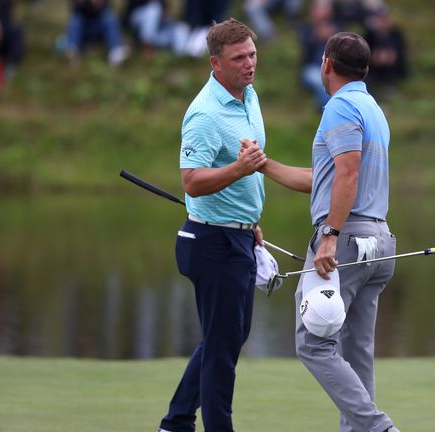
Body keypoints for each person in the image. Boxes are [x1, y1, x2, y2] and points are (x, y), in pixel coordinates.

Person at [256, 31, 400, 432]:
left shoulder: (338, 107)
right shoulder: (372, 108)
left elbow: (347, 174)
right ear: (365, 69)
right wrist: (264, 165)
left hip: (345, 242)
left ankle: (378, 427)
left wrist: (330, 235)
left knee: (312, 342)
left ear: (327, 65)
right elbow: (325, 178)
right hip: (379, 242)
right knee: (357, 353)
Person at [157, 18, 268, 432]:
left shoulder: (249, 96)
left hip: (238, 234)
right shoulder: (204, 113)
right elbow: (192, 180)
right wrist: (239, 170)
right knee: (223, 350)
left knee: (228, 338)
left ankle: (176, 421)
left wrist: (249, 221)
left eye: (252, 54)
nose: (249, 64)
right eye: (239, 58)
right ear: (215, 63)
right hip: (210, 241)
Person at [299, 1, 338, 109]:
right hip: (312, 68)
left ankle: (325, 106)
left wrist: (333, 38)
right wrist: (315, 38)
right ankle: (328, 108)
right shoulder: (307, 28)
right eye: (318, 9)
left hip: (334, 67)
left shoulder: (336, 28)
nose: (321, 12)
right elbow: (304, 53)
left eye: (324, 9)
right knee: (320, 79)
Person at [64, 0, 128, 66]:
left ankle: (115, 51)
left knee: (110, 18)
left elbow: (107, 7)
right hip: (83, 27)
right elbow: (73, 9)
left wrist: (98, 3)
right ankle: (73, 51)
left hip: (99, 25)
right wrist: (79, 3)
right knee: (75, 21)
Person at [363, 6, 407, 99]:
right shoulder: (369, 34)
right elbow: (364, 51)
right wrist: (374, 56)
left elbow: (402, 51)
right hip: (373, 67)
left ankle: (390, 87)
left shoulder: (396, 33)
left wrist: (393, 56)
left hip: (392, 66)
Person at [124, 0, 188, 55]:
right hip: (137, 20)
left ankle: (180, 59)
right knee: (153, 9)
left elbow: (166, 16)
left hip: (157, 31)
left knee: (181, 28)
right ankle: (146, 48)